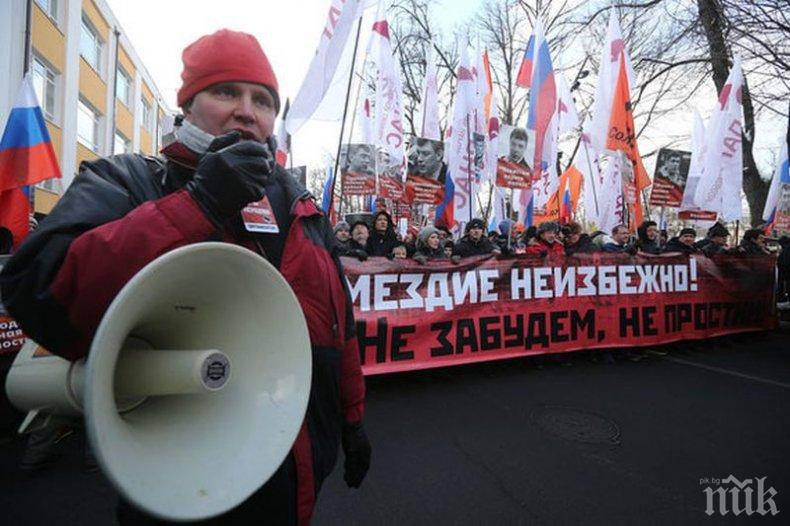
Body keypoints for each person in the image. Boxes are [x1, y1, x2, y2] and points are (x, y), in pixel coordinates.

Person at [0, 29, 369, 525]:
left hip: (297, 470)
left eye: (262, 100)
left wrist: (352, 419)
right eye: (225, 92)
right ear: (188, 107)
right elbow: (39, 290)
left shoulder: (302, 208)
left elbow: (338, 326)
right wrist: (199, 204)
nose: (246, 110)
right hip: (182, 474)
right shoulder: (130, 180)